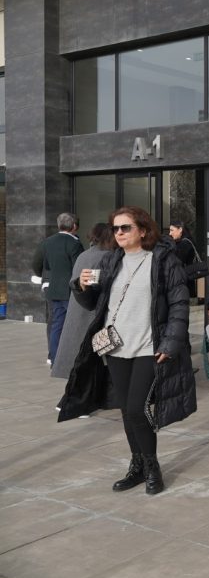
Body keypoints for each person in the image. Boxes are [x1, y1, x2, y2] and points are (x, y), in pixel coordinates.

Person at [61, 206, 194, 495]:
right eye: (115, 228)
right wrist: (81, 287)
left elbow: (179, 304)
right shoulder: (111, 260)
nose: (119, 233)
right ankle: (137, 465)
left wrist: (170, 343)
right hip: (115, 348)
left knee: (137, 409)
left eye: (125, 227)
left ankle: (152, 466)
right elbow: (94, 303)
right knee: (126, 410)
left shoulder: (163, 260)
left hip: (148, 346)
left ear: (143, 231)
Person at [51, 223, 116, 380]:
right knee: (93, 367)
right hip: (90, 317)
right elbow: (94, 290)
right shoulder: (104, 256)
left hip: (77, 315)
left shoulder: (85, 255)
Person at [33, 213, 85, 365]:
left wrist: (44, 277)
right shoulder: (74, 243)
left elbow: (38, 264)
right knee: (75, 324)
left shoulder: (47, 242)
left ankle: (54, 357)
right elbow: (79, 267)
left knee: (56, 324)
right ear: (74, 226)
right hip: (70, 290)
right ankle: (72, 357)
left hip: (53, 289)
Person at [168, 221, 202, 300]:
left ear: (180, 229)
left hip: (185, 284)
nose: (170, 233)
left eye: (172, 230)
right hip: (188, 282)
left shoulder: (184, 244)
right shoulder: (187, 241)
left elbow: (177, 261)